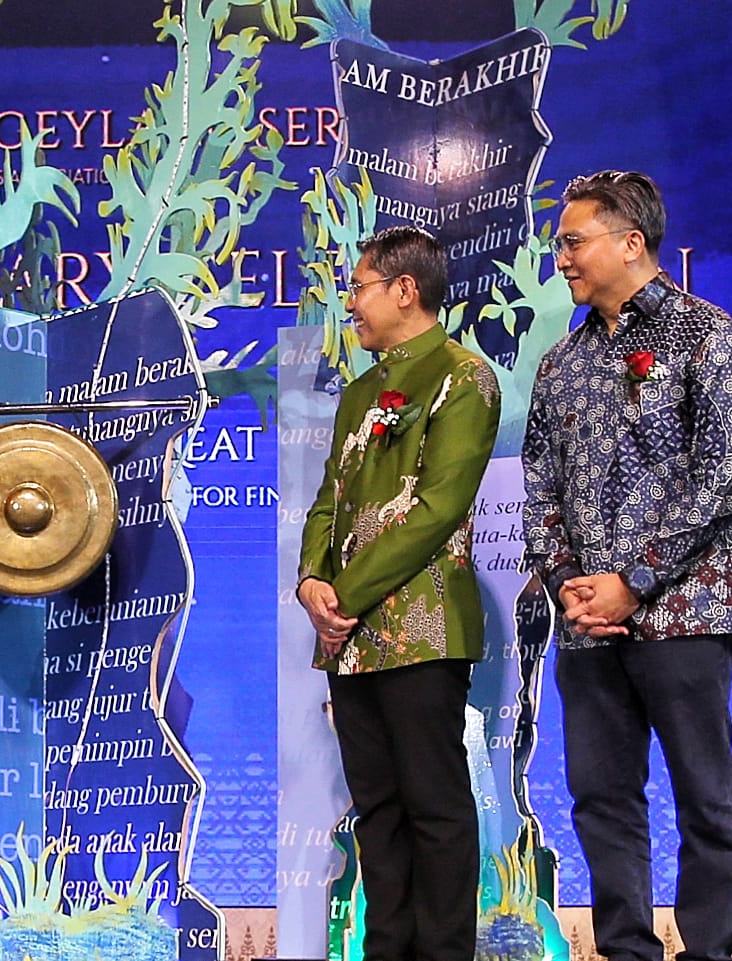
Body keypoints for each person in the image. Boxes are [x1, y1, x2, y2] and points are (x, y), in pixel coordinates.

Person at [521, 170, 732, 961]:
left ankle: (706, 951)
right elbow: (538, 488)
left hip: (686, 610)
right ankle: (624, 949)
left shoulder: (710, 338)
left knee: (704, 796)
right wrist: (569, 585)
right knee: (600, 797)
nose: (560, 257)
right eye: (559, 242)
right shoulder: (559, 365)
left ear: (631, 243)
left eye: (572, 240)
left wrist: (634, 580)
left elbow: (721, 479)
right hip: (588, 621)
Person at [295, 226, 500, 961]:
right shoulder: (358, 394)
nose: (349, 302)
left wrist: (341, 596)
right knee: (376, 810)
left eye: (358, 287)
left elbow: (436, 510)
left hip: (420, 629)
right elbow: (329, 499)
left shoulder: (462, 377)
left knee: (434, 807)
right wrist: (311, 583)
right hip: (349, 639)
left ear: (404, 290)